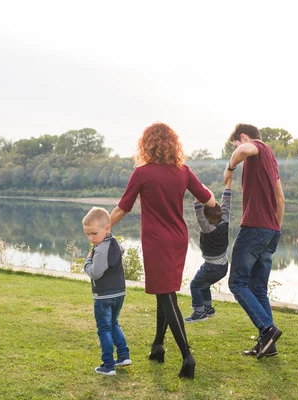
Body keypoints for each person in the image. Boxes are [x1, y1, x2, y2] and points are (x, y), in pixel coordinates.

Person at [110, 122, 216, 379]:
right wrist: (216, 211)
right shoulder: (184, 172)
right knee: (163, 292)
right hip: (178, 238)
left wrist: (103, 228)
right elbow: (209, 200)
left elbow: (124, 207)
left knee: (166, 294)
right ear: (172, 144)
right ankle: (158, 346)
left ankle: (187, 356)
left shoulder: (142, 173)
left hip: (156, 241)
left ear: (146, 144)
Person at [224, 123, 285, 359]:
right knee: (258, 288)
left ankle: (267, 330)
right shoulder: (272, 161)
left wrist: (230, 169)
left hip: (254, 229)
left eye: (235, 144)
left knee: (237, 283)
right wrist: (276, 230)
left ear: (242, 137)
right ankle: (269, 345)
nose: (237, 148)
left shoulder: (256, 147)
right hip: (271, 230)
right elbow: (281, 199)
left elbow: (243, 151)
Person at [82, 206, 131, 376]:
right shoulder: (114, 242)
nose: (90, 238)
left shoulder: (101, 248)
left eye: (94, 234)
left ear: (107, 227)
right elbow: (120, 252)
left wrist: (87, 262)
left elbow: (95, 273)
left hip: (104, 296)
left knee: (104, 329)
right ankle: (124, 355)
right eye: (88, 234)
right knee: (113, 323)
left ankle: (108, 365)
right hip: (119, 293)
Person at [184, 176, 232, 323]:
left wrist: (197, 193)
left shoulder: (208, 229)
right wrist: (228, 182)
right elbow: (226, 202)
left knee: (195, 285)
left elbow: (198, 213)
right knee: (203, 284)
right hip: (223, 266)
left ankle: (199, 313)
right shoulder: (225, 220)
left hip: (211, 267)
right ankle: (208, 309)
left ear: (206, 218)